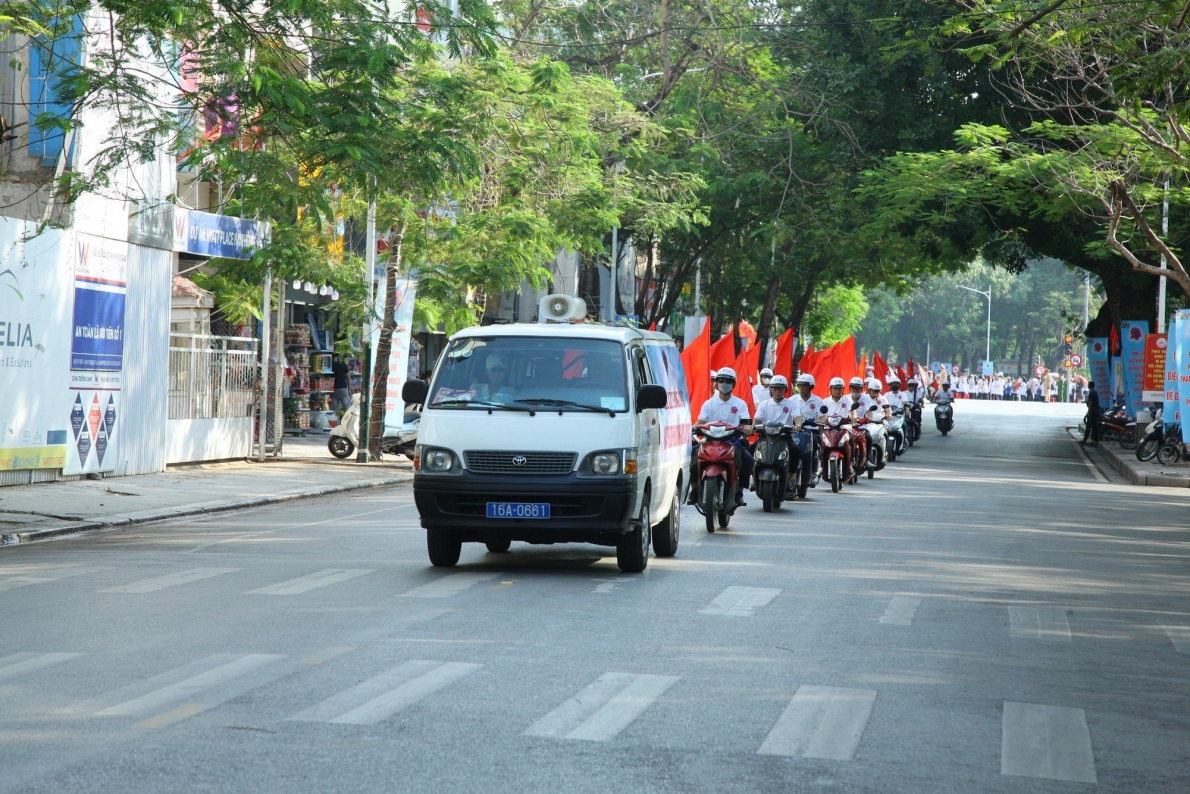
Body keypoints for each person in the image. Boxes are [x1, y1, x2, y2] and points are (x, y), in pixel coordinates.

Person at [688, 367, 754, 506]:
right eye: (721, 381)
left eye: (728, 381)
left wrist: (747, 430)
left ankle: (739, 492)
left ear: (733, 384)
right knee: (693, 456)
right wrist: (691, 429)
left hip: (733, 442)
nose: (724, 383)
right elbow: (701, 421)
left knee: (748, 459)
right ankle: (694, 490)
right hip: (709, 441)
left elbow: (746, 424)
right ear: (716, 383)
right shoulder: (709, 403)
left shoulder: (740, 404)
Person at [1082, 380, 1101, 444]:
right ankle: (1095, 440)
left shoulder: (1091, 393)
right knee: (1094, 427)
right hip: (1096, 412)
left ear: (1089, 386)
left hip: (1093, 412)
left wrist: (1089, 412)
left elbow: (1090, 403)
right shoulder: (1095, 392)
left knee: (1088, 426)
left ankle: (1085, 440)